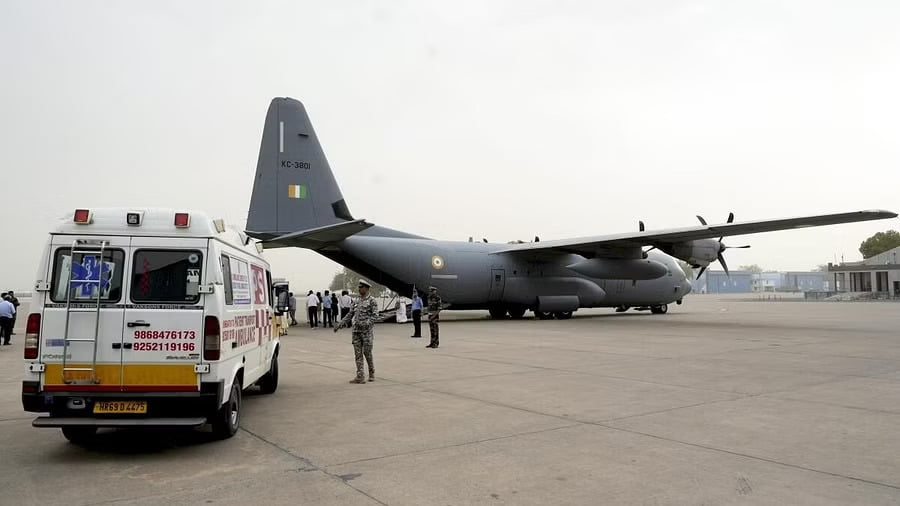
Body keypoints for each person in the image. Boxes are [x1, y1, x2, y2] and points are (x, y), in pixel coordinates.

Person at [335, 280, 379, 383]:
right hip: (356, 332)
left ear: (366, 288)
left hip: (366, 332)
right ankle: (360, 376)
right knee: (358, 354)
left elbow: (375, 316)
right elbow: (350, 315)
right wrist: (340, 324)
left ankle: (371, 372)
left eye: (361, 287)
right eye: (359, 287)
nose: (359, 289)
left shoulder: (372, 301)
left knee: (367, 353)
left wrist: (365, 323)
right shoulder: (356, 301)